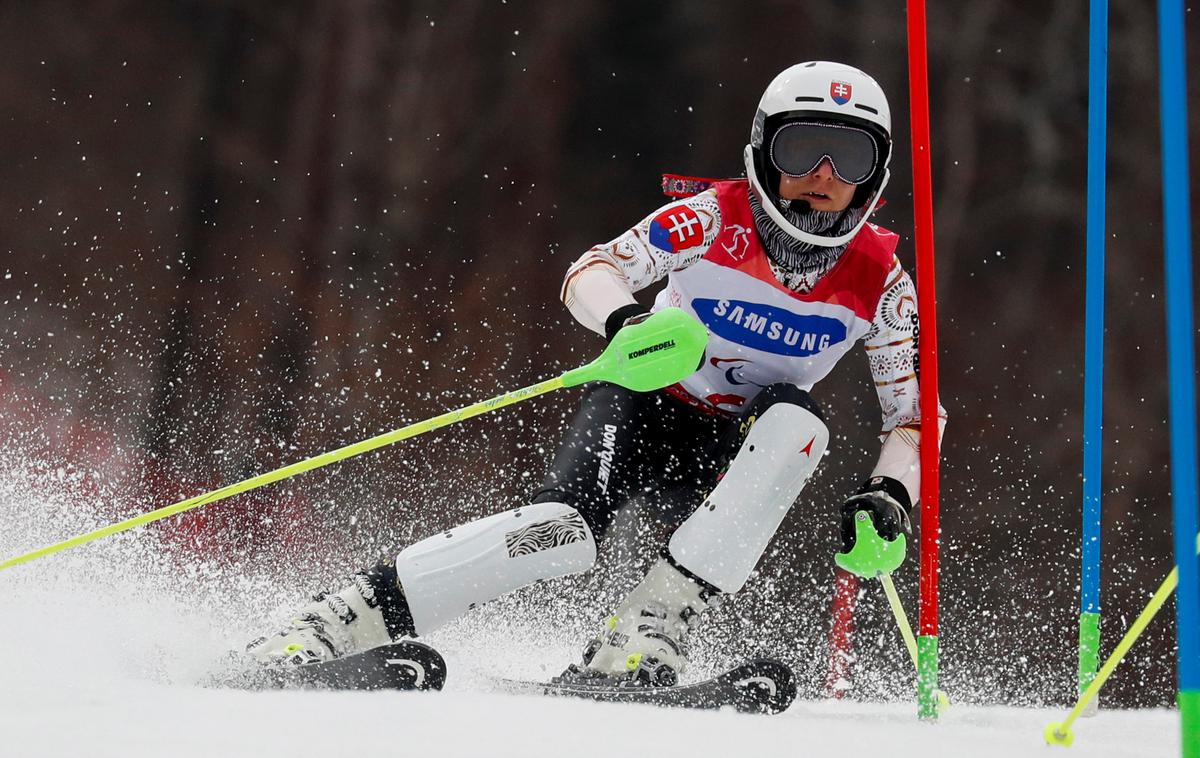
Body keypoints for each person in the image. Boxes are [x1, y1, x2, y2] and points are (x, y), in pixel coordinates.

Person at [246, 61, 946, 687]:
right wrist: (626, 325)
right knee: (562, 533)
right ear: (763, 153)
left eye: (848, 157)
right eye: (801, 150)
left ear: (874, 177)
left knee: (799, 422)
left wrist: (889, 494)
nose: (823, 176)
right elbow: (594, 269)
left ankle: (642, 639)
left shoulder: (883, 285)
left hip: (737, 447)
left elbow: (917, 413)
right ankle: (344, 618)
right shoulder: (709, 219)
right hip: (645, 399)